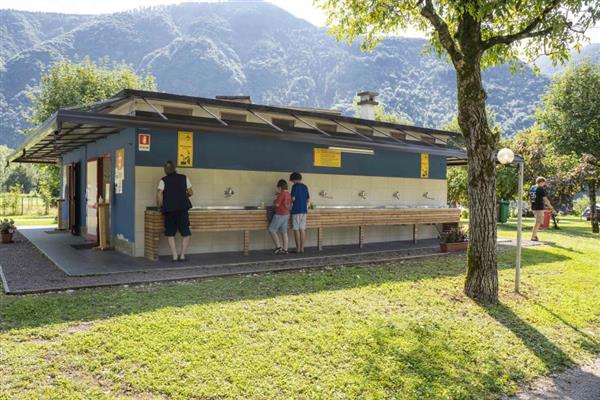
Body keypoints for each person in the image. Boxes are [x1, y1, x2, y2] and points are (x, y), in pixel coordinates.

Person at [156, 161, 193, 261]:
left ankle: (174, 255)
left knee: (170, 233)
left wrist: (159, 206)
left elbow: (159, 194)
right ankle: (183, 255)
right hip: (182, 209)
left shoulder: (163, 180)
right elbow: (191, 192)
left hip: (169, 210)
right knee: (185, 232)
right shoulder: (184, 178)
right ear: (175, 168)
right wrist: (183, 196)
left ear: (165, 170)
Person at [528, 176, 557, 241]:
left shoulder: (532, 188)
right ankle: (533, 237)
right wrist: (552, 208)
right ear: (541, 182)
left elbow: (530, 198)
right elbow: (545, 199)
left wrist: (530, 206)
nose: (544, 184)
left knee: (539, 221)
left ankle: (535, 235)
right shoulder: (540, 188)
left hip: (534, 207)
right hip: (539, 207)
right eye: (544, 183)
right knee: (538, 222)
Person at [268, 179, 292, 255]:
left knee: (272, 230)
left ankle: (278, 247)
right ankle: (285, 249)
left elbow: (277, 204)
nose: (278, 189)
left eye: (278, 187)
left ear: (280, 187)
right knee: (284, 232)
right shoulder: (288, 194)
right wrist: (278, 195)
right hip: (286, 214)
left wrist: (275, 201)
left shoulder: (281, 194)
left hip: (280, 214)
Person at [290, 172, 310, 253]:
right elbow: (308, 199)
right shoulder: (305, 186)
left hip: (296, 210)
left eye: (292, 180)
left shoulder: (295, 186)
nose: (292, 182)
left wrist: (289, 201)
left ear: (294, 179)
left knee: (296, 229)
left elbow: (293, 198)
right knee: (302, 229)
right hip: (304, 211)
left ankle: (298, 248)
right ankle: (302, 248)